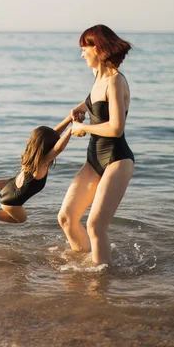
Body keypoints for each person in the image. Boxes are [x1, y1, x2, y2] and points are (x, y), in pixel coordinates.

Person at [58, 24, 135, 266]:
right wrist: (81, 107)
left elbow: (115, 128)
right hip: (94, 159)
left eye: (85, 48)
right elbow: (96, 99)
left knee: (95, 225)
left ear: (98, 48)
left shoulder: (116, 81)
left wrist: (84, 128)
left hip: (117, 159)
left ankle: (101, 282)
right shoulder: (98, 78)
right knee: (67, 218)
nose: (82, 54)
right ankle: (88, 263)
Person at [0, 116, 73, 223]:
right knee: (21, 219)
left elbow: (52, 137)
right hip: (11, 203)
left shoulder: (29, 156)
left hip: (8, 186)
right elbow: (58, 148)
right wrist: (71, 130)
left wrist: (70, 119)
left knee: (18, 184)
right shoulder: (41, 164)